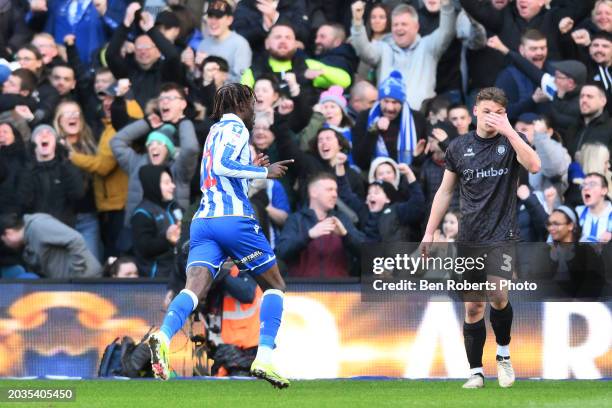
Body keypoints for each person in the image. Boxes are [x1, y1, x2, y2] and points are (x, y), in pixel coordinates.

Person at [147, 83, 293, 388]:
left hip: (204, 220)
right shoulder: (237, 127)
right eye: (252, 104)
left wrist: (249, 168)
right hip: (233, 220)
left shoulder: (214, 131)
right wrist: (264, 173)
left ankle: (162, 335)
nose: (254, 111)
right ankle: (264, 356)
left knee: (194, 288)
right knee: (275, 286)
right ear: (241, 104)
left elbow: (218, 173)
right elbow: (222, 165)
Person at [422, 87, 541, 389]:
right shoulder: (459, 148)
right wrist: (429, 232)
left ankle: (503, 355)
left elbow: (534, 165)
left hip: (503, 234)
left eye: (499, 112)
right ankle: (475, 371)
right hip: (470, 237)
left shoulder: (511, 142)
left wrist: (511, 132)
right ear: (475, 111)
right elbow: (445, 192)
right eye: (487, 111)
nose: (493, 117)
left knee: (498, 294)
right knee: (473, 306)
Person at [350, 0, 456, 111]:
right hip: (387, 116)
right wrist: (357, 22)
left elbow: (446, 32)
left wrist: (446, 5)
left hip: (420, 116)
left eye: (404, 24)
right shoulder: (383, 47)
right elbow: (363, 50)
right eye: (395, 24)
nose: (399, 28)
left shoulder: (428, 46)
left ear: (416, 27)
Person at [275, 172, 368, 277]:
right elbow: (281, 253)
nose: (335, 195)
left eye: (335, 190)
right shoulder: (296, 219)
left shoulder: (342, 219)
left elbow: (366, 253)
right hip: (302, 289)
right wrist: (308, 235)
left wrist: (346, 235)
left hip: (340, 289)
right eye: (329, 190)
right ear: (313, 192)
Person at [0, 212, 102, 278]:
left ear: (8, 233)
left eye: (4, 241)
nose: (6, 245)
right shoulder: (27, 241)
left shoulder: (38, 226)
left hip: (86, 281)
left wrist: (77, 273)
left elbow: (75, 239)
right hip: (69, 285)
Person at [131, 165, 182, 278]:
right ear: (153, 185)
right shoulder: (142, 213)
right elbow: (144, 249)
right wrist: (167, 240)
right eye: (167, 183)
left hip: (179, 275)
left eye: (172, 182)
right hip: (156, 280)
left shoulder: (175, 206)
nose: (173, 186)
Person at [196, 0, 252, 82]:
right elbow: (197, 80)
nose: (213, 21)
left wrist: (213, 70)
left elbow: (242, 80)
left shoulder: (240, 44)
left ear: (229, 20)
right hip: (205, 93)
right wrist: (194, 68)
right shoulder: (203, 44)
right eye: (210, 16)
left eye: (218, 17)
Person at [575, 172, 612, 242]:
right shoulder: (577, 212)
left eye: (592, 185)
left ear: (604, 191)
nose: (585, 188)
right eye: (583, 185)